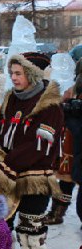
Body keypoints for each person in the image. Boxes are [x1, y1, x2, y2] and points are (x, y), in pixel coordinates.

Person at [0, 52, 64, 249]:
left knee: (30, 229)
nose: (13, 78)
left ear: (32, 74)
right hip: (7, 173)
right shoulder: (11, 98)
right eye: (12, 73)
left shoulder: (50, 104)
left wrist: (6, 165)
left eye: (18, 73)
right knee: (3, 226)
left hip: (34, 176)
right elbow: (0, 133)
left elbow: (38, 145)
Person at [47, 58, 82, 226]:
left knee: (69, 177)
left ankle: (57, 212)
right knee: (66, 176)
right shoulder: (73, 87)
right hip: (71, 135)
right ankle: (57, 212)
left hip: (75, 134)